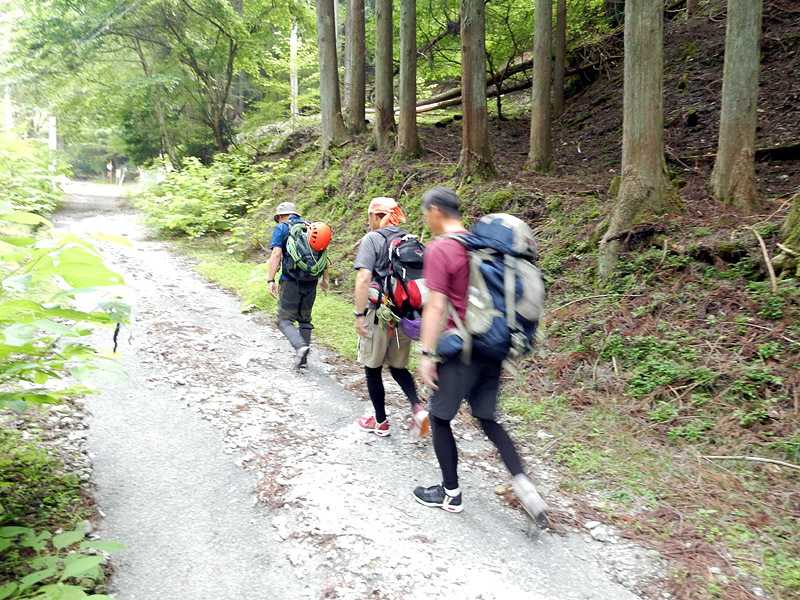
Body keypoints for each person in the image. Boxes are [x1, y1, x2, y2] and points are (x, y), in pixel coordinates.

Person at [412, 187, 549, 526]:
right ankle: (525, 485)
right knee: (487, 418)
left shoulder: (442, 248)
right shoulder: (480, 247)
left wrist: (426, 353)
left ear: (435, 211)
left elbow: (437, 305)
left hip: (462, 350)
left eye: (426, 213)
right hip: (496, 345)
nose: (426, 219)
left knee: (440, 417)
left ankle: (450, 493)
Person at [353, 197, 429, 438]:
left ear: (377, 216)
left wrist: (359, 315)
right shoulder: (409, 239)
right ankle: (418, 408)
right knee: (398, 367)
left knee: (372, 368)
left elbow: (363, 279)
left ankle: (380, 422)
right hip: (403, 315)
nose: (369, 221)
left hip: (378, 314)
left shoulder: (372, 239)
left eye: (370, 216)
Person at [267, 202, 328, 369]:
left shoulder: (282, 228)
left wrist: (270, 279)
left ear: (280, 217)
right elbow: (323, 252)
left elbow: (276, 254)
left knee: (284, 320)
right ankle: (302, 361)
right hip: (312, 281)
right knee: (305, 320)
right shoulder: (311, 227)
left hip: (290, 281)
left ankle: (300, 347)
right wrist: (325, 279)